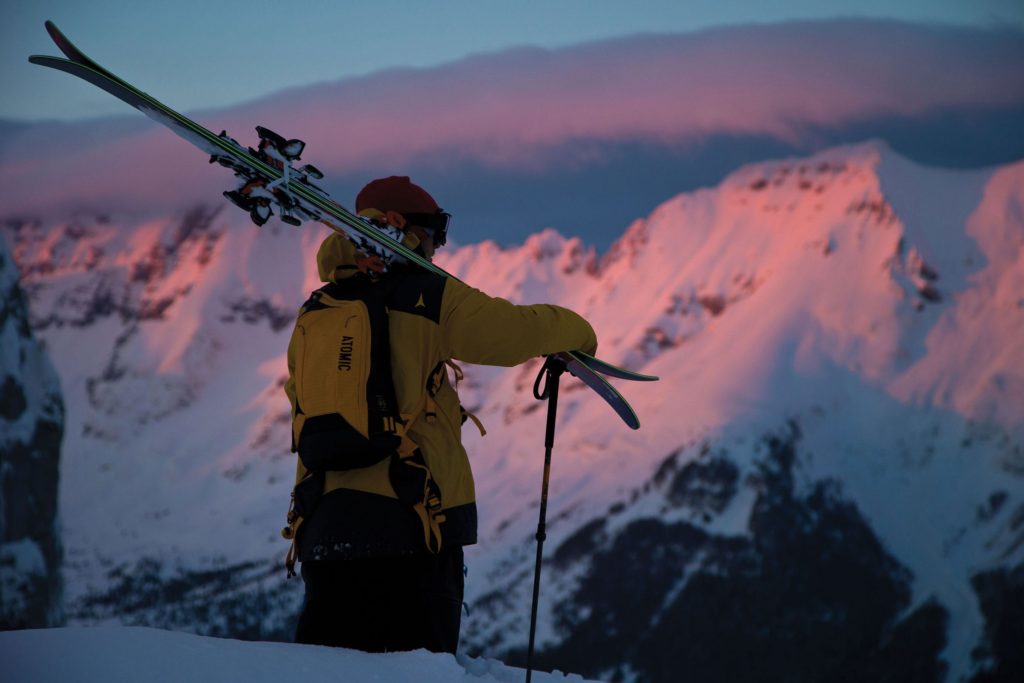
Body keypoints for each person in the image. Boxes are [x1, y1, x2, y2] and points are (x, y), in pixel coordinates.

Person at [284, 176, 597, 654]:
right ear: (402, 227)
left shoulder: (316, 310)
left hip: (323, 525)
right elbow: (510, 333)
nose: (436, 248)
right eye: (435, 232)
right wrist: (578, 332)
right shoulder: (428, 297)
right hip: (412, 525)